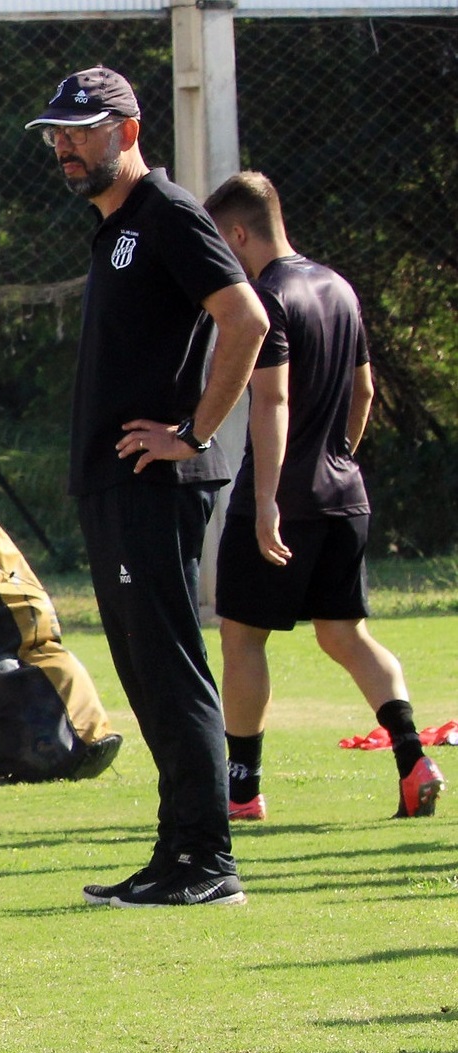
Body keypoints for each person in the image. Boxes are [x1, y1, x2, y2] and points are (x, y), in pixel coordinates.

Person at [27, 67, 270, 908]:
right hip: (114, 484)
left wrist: (193, 434)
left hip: (155, 482)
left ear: (127, 131)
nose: (64, 145)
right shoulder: (115, 225)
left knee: (170, 669)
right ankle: (178, 852)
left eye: (81, 130)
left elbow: (247, 320)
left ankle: (209, 862)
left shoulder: (165, 212)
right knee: (145, 671)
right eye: (57, 132)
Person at [201, 171, 443, 821]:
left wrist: (272, 497)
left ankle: (243, 791)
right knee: (346, 634)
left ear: (240, 233)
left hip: (283, 499)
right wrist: (338, 459)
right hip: (344, 494)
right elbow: (362, 393)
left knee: (242, 637)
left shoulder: (266, 300)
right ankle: (413, 757)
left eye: (219, 242)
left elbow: (272, 400)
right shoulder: (338, 288)